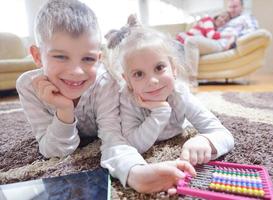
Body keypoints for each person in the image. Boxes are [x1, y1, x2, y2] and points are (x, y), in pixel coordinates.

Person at [16, 0, 196, 194]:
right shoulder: (29, 86)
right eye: (60, 57)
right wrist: (64, 111)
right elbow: (53, 152)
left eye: (88, 59)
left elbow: (113, 138)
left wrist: (135, 172)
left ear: (99, 58)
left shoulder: (104, 83)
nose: (76, 71)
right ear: (37, 55)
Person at [105, 15, 234, 170]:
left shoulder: (179, 93)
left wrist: (205, 141)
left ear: (173, 68)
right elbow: (133, 145)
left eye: (159, 68)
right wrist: (160, 111)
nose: (152, 81)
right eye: (139, 74)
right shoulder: (128, 100)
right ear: (127, 81)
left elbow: (224, 134)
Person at [184, 0, 258, 79]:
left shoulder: (246, 17)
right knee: (181, 45)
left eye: (235, 7)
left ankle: (191, 80)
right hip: (212, 41)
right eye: (230, 7)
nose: (232, 9)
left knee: (191, 41)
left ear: (242, 8)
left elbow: (253, 30)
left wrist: (234, 37)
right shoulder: (227, 18)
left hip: (221, 44)